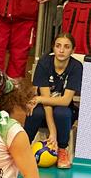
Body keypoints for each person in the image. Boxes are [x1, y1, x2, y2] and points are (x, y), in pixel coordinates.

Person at [23, 31, 83, 169]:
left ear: (73, 50)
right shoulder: (44, 63)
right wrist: (53, 133)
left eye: (67, 47)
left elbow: (65, 101)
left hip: (65, 112)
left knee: (62, 112)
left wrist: (38, 98)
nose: (61, 50)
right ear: (53, 47)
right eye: (58, 46)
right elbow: (47, 102)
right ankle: (23, 147)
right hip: (44, 108)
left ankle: (62, 149)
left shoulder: (76, 67)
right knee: (35, 111)